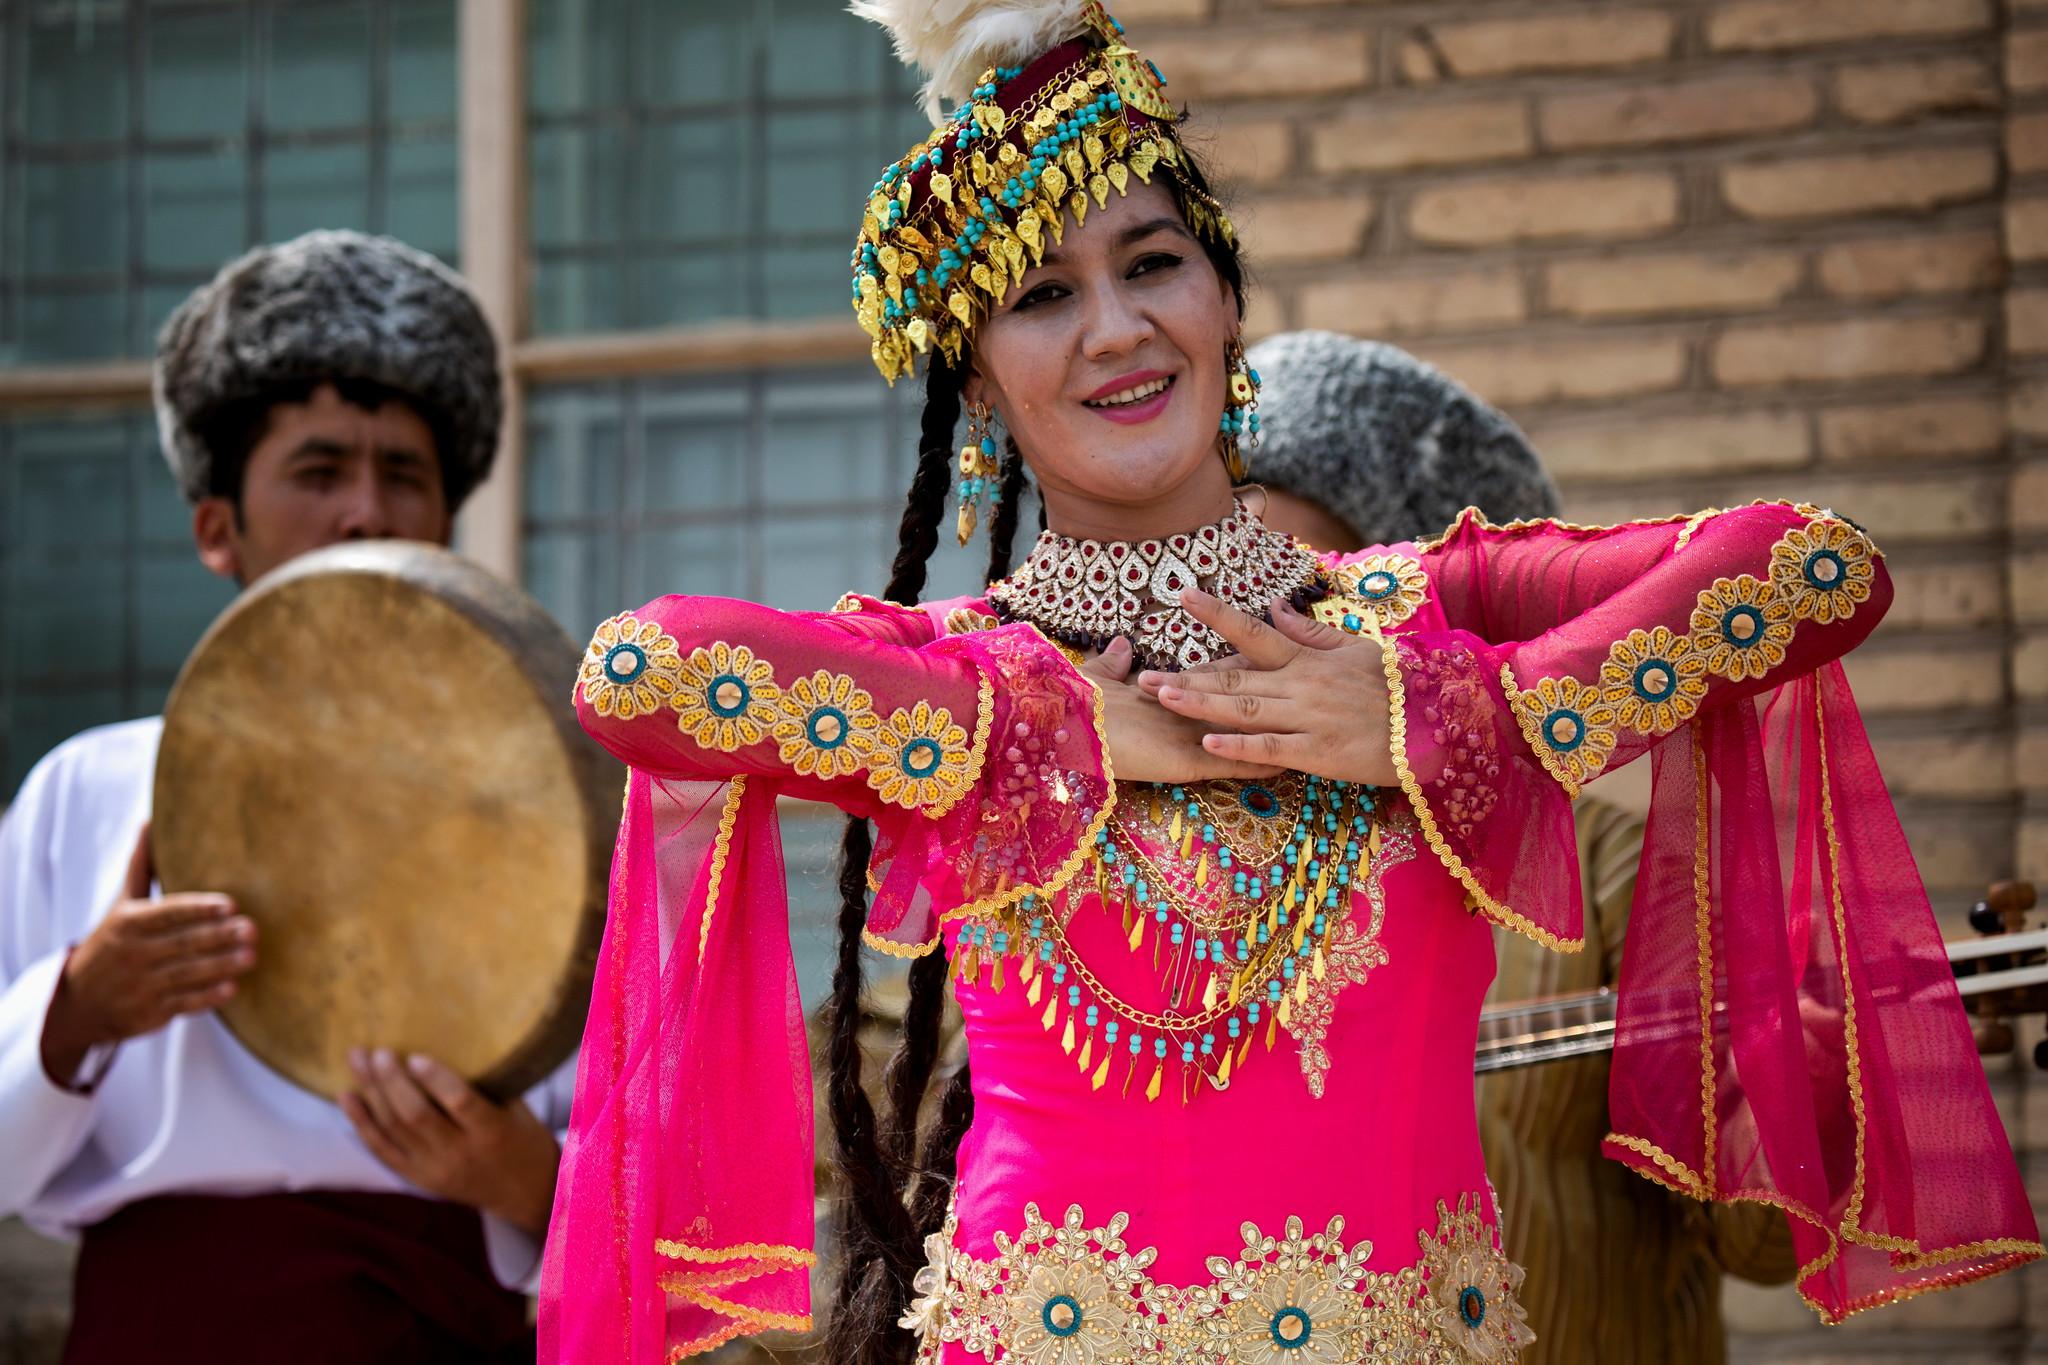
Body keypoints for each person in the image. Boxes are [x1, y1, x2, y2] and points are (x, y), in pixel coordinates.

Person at [539, 5, 2042, 1362]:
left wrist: (1441, 717)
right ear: (979, 384)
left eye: (1152, 264)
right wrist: (1057, 726)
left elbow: (1810, 568)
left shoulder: (1415, 613)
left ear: (1227, 302)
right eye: (1041, 296)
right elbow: (641, 671)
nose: (1118, 329)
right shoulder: (959, 680)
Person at [0, 230, 575, 1364]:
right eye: (319, 472)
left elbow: (663, 1217)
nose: (365, 511)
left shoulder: (560, 804)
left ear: (446, 525)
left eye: (402, 474)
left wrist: (521, 1180)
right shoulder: (92, 786)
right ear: (220, 528)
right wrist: (77, 1010)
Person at [1246, 329, 1798, 1364]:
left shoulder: (1606, 873)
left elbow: (1761, 1241)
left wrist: (1800, 1068)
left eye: (1298, 591)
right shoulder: (1161, 861)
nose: (1243, 632)